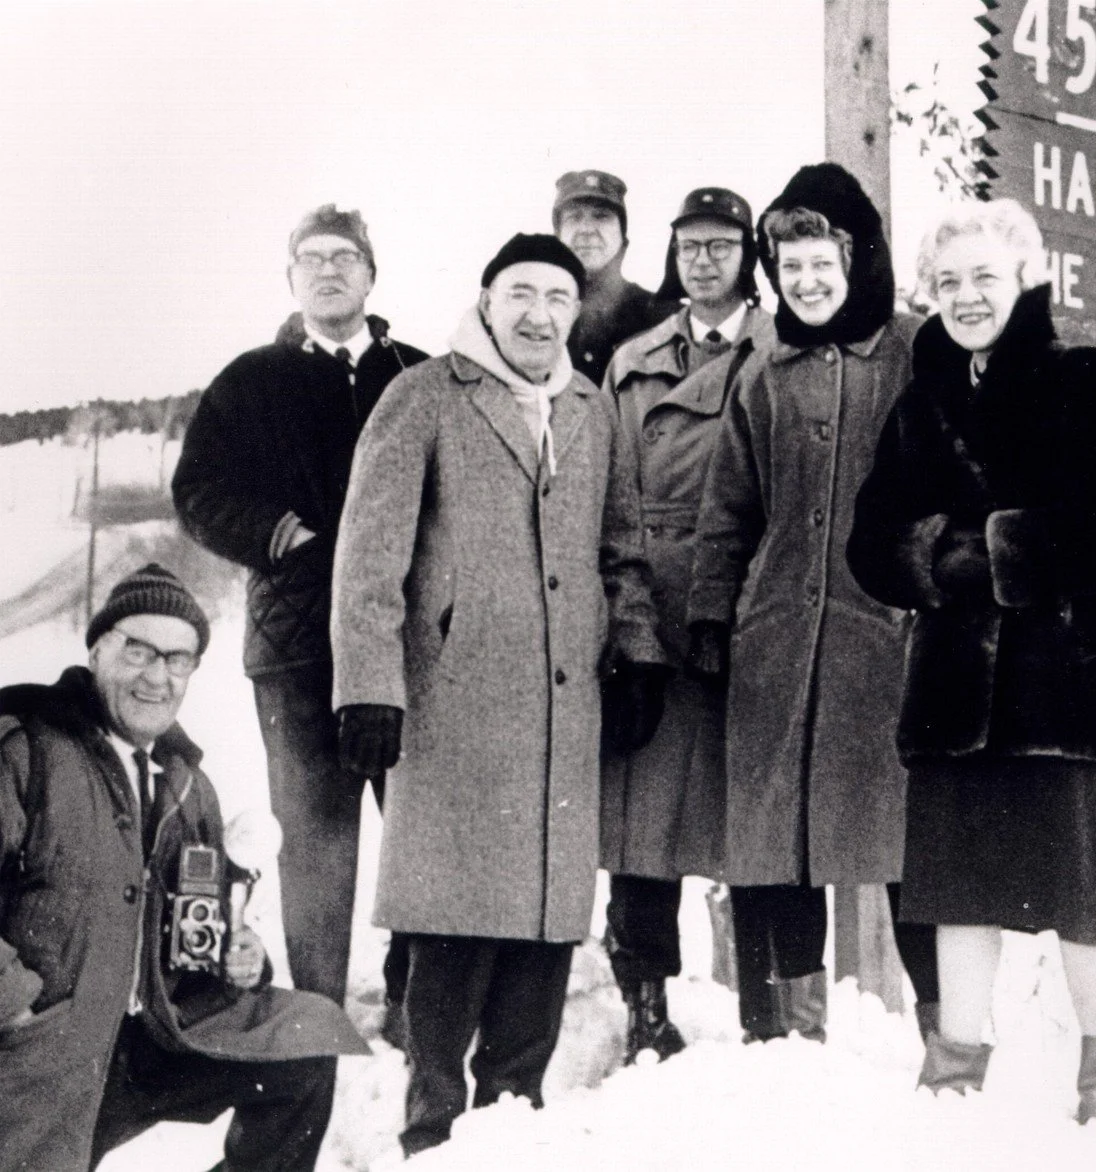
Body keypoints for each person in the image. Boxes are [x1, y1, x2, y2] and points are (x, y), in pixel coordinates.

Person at [330, 233, 668, 1156]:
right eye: (519, 294)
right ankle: (431, 1125)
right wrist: (369, 686)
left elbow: (621, 548)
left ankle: (513, 1119)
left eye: (557, 298)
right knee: (453, 909)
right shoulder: (426, 396)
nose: (538, 315)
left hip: (564, 708)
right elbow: (368, 559)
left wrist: (635, 650)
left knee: (546, 914)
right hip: (454, 701)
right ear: (485, 300)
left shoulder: (590, 409)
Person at [846, 198, 1096, 1130]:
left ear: (1026, 276)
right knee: (957, 895)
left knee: (1081, 902)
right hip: (951, 692)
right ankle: (953, 1082)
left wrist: (994, 552)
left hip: (1067, 693)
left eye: (984, 277)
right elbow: (870, 543)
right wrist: (928, 556)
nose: (966, 297)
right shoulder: (919, 401)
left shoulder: (1088, 380)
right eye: (947, 283)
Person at [684, 163, 938, 1043]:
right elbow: (729, 507)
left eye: (821, 263)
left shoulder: (917, 353)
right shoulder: (766, 370)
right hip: (780, 643)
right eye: (789, 268)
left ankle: (948, 1048)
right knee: (775, 846)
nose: (806, 282)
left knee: (910, 848)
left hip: (894, 643)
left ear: (857, 259)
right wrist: (716, 614)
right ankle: (786, 1045)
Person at [0, 564, 367, 1172]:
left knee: (305, 1040)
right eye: (138, 651)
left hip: (149, 1044)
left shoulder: (188, 786)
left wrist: (240, 957)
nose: (157, 677)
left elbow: (203, 925)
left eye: (178, 659)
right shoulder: (28, 751)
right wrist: (18, 1007)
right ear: (96, 650)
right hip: (47, 1054)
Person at [172, 204, 427, 1025]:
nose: (328, 270)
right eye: (310, 258)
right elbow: (199, 492)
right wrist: (280, 535)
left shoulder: (416, 374)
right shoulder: (251, 380)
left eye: (344, 256)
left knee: (419, 825)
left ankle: (413, 994)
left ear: (370, 274)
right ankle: (318, 1014)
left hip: (405, 648)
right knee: (315, 839)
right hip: (295, 647)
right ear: (291, 278)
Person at [599, 186, 773, 1064]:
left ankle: (770, 1016)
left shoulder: (780, 349)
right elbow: (612, 510)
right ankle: (644, 1005)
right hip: (660, 618)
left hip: (752, 609)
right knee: (645, 827)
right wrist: (631, 633)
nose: (704, 261)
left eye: (721, 245)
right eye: (689, 247)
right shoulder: (634, 360)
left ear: (749, 255)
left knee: (759, 819)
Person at [553, 169, 675, 385]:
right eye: (574, 217)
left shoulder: (667, 318)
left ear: (622, 235)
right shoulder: (537, 316)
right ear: (557, 236)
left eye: (601, 216)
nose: (587, 229)